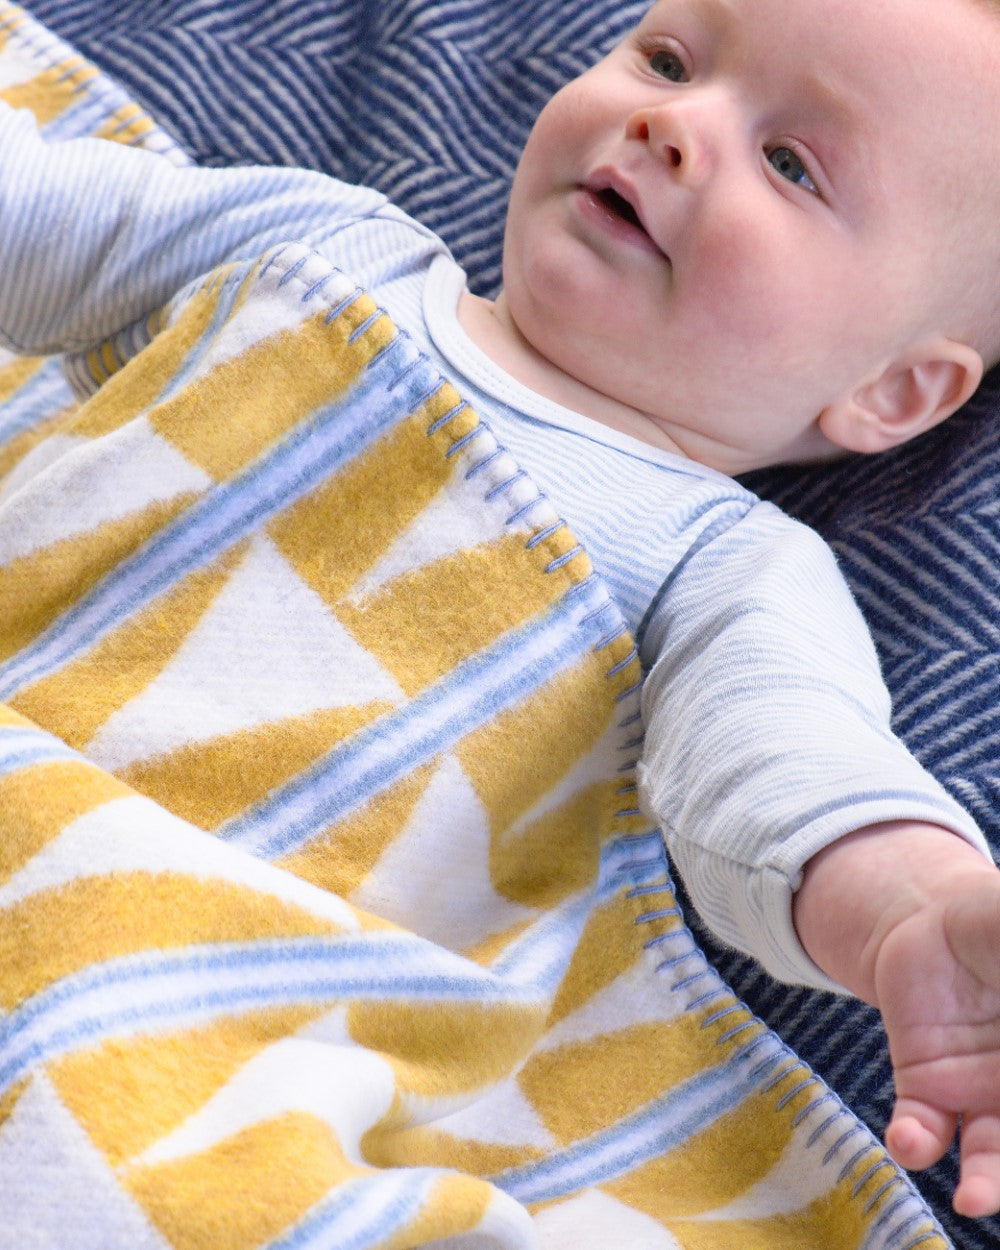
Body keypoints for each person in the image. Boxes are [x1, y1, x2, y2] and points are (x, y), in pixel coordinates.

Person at [1, 0, 999, 1222]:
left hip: (227, 965)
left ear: (893, 389)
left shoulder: (723, 563)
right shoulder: (320, 243)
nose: (673, 123)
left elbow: (783, 765)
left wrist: (910, 907)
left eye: (791, 164)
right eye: (667, 60)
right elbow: (48, 213)